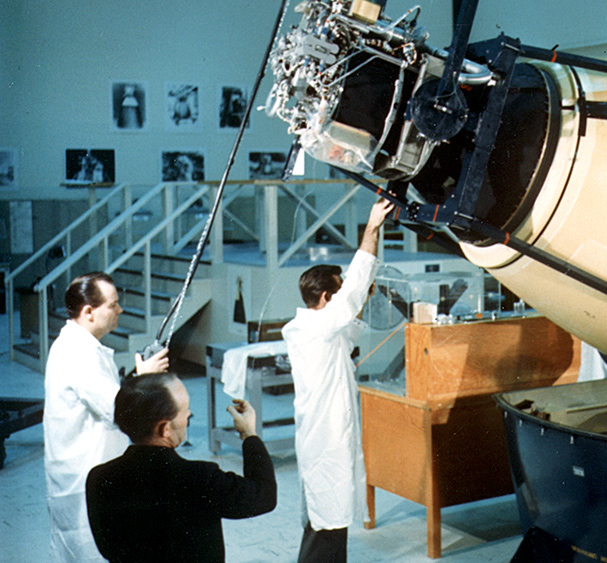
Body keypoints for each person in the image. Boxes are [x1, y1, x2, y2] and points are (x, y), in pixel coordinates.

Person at [281, 199, 393, 563]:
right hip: (325, 439)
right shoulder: (315, 328)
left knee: (329, 522)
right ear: (327, 298)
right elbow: (355, 289)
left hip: (327, 436)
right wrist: (372, 227)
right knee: (325, 522)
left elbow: (351, 310)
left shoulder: (318, 328)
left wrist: (358, 296)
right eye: (339, 292)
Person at [43, 271, 170, 562]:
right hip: (83, 479)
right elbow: (118, 409)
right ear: (89, 312)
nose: (120, 310)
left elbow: (106, 395)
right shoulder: (78, 353)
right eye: (113, 305)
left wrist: (138, 376)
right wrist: (145, 377)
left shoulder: (80, 345)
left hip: (88, 475)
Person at [86, 373, 277, 562]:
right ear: (165, 429)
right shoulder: (201, 479)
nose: (188, 416)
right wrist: (249, 434)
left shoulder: (99, 479)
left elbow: (107, 550)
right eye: (185, 411)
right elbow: (264, 495)